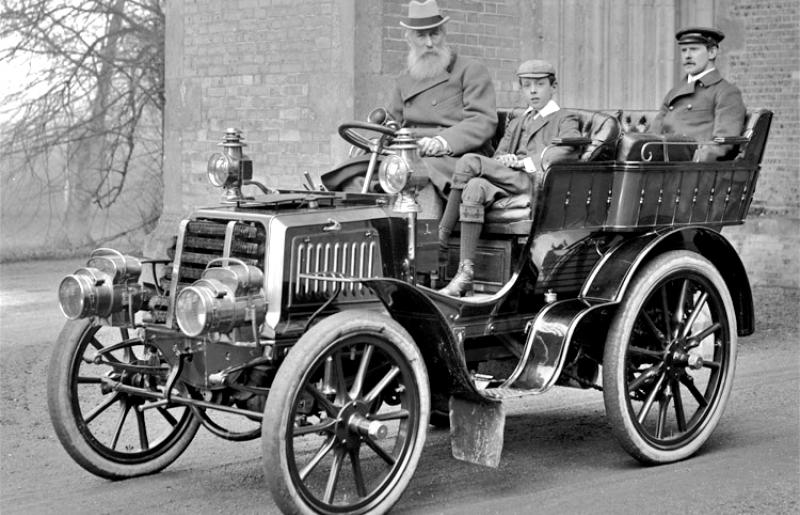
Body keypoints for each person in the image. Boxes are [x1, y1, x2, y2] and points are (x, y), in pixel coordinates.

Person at [437, 59, 581, 297]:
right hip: (509, 180)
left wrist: (523, 162)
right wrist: (505, 160)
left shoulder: (565, 118)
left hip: (535, 183)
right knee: (474, 187)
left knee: (468, 162)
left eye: (540, 84)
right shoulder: (518, 121)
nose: (533, 91)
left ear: (553, 87)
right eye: (526, 85)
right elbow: (500, 154)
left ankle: (440, 239)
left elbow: (568, 149)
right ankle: (466, 274)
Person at [387, 0, 498, 196]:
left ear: (444, 34)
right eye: (421, 36)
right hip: (411, 153)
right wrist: (372, 143)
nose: (429, 43)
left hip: (457, 154)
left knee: (417, 174)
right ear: (409, 39)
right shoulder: (404, 80)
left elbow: (482, 121)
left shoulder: (469, 70)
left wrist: (440, 142)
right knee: (358, 172)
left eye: (434, 34)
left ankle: (426, 227)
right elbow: (389, 123)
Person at [650, 27, 746, 161]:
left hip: (694, 171)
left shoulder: (726, 92)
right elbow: (653, 134)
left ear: (712, 52)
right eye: (684, 50)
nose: (687, 56)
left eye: (694, 49)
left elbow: (723, 143)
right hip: (662, 166)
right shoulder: (674, 92)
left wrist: (694, 161)